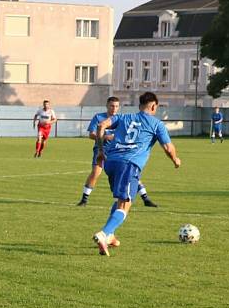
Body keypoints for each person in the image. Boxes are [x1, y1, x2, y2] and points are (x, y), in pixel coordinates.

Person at [92, 92, 181, 256]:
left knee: (122, 200)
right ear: (154, 106)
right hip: (129, 165)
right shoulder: (156, 124)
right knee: (125, 205)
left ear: (140, 105)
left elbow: (100, 125)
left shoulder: (124, 118)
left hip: (111, 162)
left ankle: (110, 235)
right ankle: (103, 234)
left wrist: (100, 151)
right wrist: (175, 160)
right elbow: (168, 148)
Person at [76, 96, 158, 208]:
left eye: (116, 106)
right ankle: (84, 199)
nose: (114, 108)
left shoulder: (123, 119)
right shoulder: (99, 117)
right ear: (107, 106)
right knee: (96, 173)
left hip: (118, 151)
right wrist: (105, 137)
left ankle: (145, 198)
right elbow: (91, 134)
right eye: (112, 106)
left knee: (130, 174)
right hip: (101, 149)